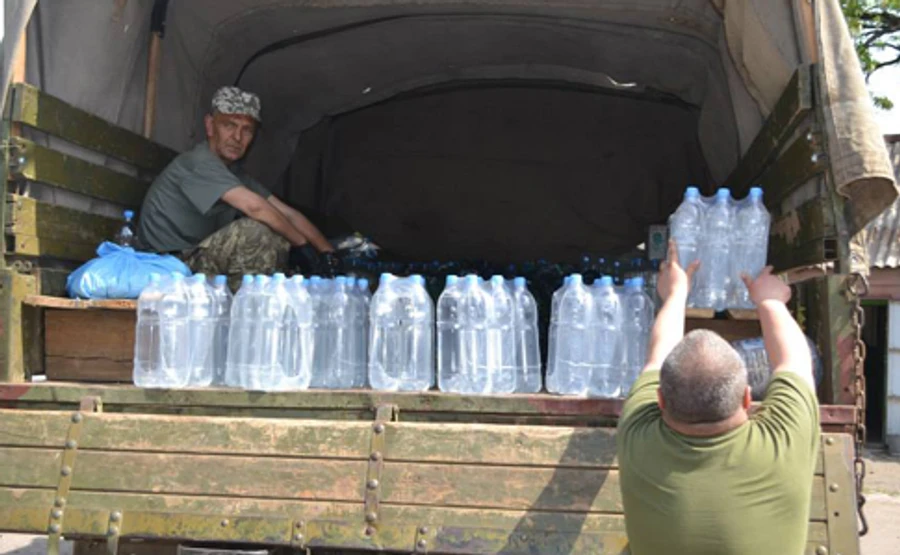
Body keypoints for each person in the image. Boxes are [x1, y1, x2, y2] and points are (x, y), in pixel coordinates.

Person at [617, 240, 820, 555]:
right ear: (747, 399)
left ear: (660, 400)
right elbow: (795, 361)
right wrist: (770, 301)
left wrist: (675, 295)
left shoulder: (637, 437)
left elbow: (657, 357)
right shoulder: (784, 441)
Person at [137, 86, 335, 286]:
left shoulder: (233, 173)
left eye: (247, 130)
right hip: (168, 267)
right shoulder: (197, 163)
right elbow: (255, 208)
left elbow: (287, 214)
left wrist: (328, 254)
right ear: (210, 126)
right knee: (256, 231)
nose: (237, 137)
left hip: (191, 262)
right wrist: (301, 245)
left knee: (277, 226)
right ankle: (249, 307)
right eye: (229, 125)